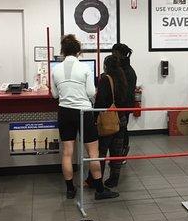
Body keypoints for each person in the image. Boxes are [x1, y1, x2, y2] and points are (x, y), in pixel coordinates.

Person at [51, 34, 118, 200]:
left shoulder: (55, 70)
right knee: (93, 153)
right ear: (78, 51)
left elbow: (54, 94)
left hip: (64, 111)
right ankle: (100, 190)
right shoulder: (85, 69)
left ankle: (70, 190)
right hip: (84, 112)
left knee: (67, 152)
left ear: (63, 51)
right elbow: (90, 93)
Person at [95, 55, 128, 187]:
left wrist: (94, 117)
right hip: (121, 119)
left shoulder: (105, 79)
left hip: (108, 120)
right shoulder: (122, 78)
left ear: (106, 65)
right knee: (116, 152)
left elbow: (100, 101)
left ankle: (98, 180)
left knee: (101, 152)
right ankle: (114, 179)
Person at [112, 43, 136, 162]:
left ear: (119, 54)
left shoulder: (126, 71)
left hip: (123, 105)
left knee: (122, 129)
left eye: (114, 53)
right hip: (120, 104)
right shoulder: (121, 69)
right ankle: (118, 154)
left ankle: (122, 154)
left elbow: (125, 92)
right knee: (120, 129)